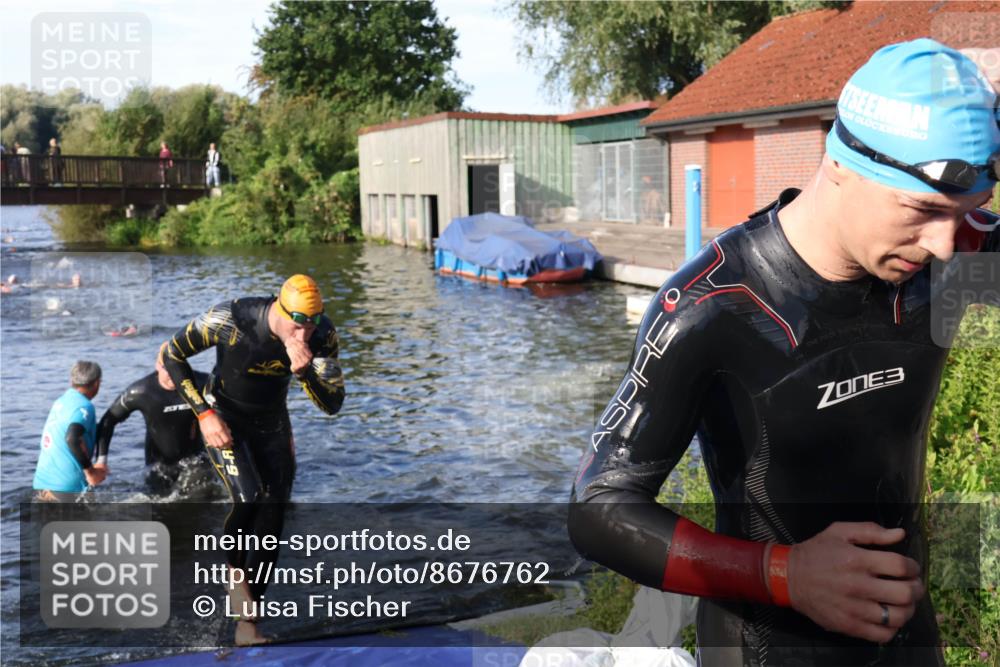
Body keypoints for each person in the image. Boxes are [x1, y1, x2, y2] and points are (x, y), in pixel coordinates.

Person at [569, 38, 999, 666]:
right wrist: (787, 574)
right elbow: (599, 509)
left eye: (966, 212)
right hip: (764, 644)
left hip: (907, 638)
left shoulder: (954, 256)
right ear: (844, 164)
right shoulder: (714, 305)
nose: (942, 243)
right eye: (922, 210)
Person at [162, 274, 345, 645]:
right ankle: (233, 575)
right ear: (279, 309)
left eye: (310, 327)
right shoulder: (231, 319)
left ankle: (247, 625)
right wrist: (203, 415)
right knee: (249, 497)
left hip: (272, 421)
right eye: (297, 326)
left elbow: (333, 404)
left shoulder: (323, 335)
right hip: (222, 414)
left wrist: (305, 373)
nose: (303, 335)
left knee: (272, 517)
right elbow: (173, 354)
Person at [96, 345, 210, 492]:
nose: (173, 374)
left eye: (178, 367)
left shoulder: (202, 382)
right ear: (157, 366)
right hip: (158, 466)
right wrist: (101, 461)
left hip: (196, 461)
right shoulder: (141, 391)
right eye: (167, 369)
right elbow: (108, 421)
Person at [33, 361, 107, 502]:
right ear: (97, 383)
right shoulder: (84, 406)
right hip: (67, 490)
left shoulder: (60, 402)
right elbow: (72, 438)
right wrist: (91, 472)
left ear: (72, 381)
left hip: (42, 485)